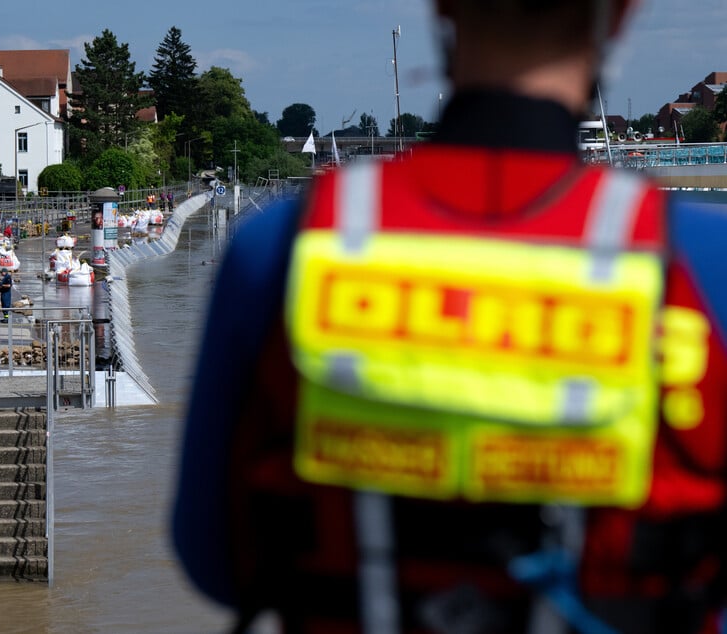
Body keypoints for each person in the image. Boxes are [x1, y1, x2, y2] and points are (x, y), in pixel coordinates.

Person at [173, 1, 727, 633]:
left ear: (441, 7)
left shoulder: (282, 247)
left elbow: (213, 559)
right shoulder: (702, 264)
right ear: (622, 14)